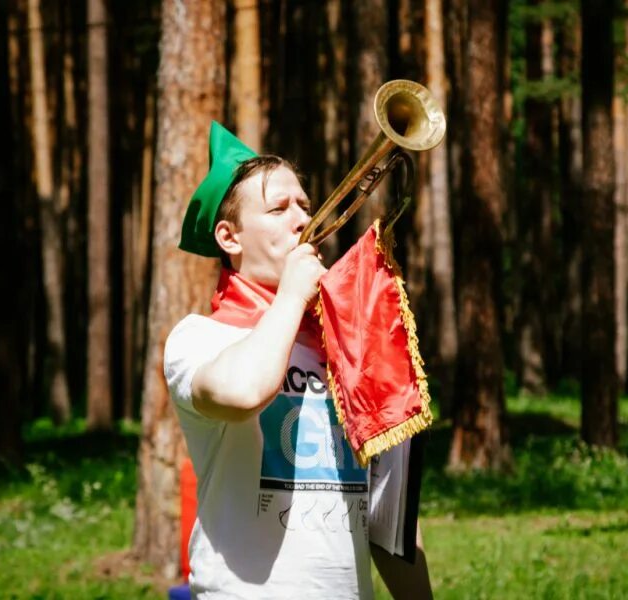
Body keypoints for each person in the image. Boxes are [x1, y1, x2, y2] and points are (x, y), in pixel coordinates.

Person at [164, 122, 433, 599]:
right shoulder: (200, 337)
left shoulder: (348, 344)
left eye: (304, 205)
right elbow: (244, 393)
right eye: (278, 208)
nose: (301, 219)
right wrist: (290, 295)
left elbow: (391, 527)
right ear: (230, 238)